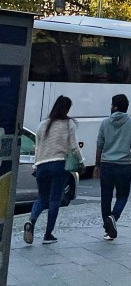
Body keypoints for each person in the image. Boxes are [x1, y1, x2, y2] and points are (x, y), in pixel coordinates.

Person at [23, 95, 82, 246]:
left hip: (42, 165)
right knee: (55, 199)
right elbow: (74, 146)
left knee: (42, 198)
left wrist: (36, 165)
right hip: (59, 164)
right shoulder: (68, 124)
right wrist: (81, 161)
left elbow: (38, 147)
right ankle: (48, 234)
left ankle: (31, 221)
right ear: (67, 109)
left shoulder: (43, 124)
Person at [94, 93, 131, 241]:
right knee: (122, 196)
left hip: (106, 164)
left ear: (114, 107)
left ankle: (108, 227)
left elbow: (99, 145)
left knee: (106, 197)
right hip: (124, 165)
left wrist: (97, 165)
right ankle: (113, 217)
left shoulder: (105, 123)